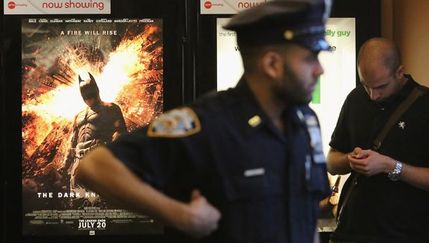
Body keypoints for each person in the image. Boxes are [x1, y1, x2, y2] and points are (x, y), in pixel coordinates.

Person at [76, 0, 332, 242]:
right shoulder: (210, 122)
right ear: (272, 64)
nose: (319, 69)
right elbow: (95, 167)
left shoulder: (305, 123)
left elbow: (306, 219)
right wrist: (180, 216)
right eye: (310, 58)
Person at [327, 37, 429, 243]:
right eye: (366, 85)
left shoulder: (427, 105)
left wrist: (390, 166)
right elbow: (331, 161)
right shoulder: (356, 98)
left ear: (399, 72)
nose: (373, 95)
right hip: (348, 232)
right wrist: (350, 160)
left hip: (404, 235)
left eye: (381, 87)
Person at [64, 72, 127, 192]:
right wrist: (66, 163)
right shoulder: (78, 116)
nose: (88, 98)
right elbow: (72, 141)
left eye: (90, 94)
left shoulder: (110, 108)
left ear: (96, 91)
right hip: (79, 159)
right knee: (77, 195)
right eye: (85, 95)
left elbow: (121, 132)